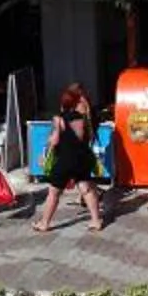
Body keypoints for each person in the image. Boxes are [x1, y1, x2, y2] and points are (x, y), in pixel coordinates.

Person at [37, 82, 107, 233]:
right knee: (86, 189)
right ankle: (96, 220)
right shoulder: (84, 119)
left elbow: (55, 140)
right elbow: (86, 137)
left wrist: (45, 151)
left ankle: (44, 223)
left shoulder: (59, 119)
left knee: (54, 192)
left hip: (65, 159)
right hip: (82, 157)